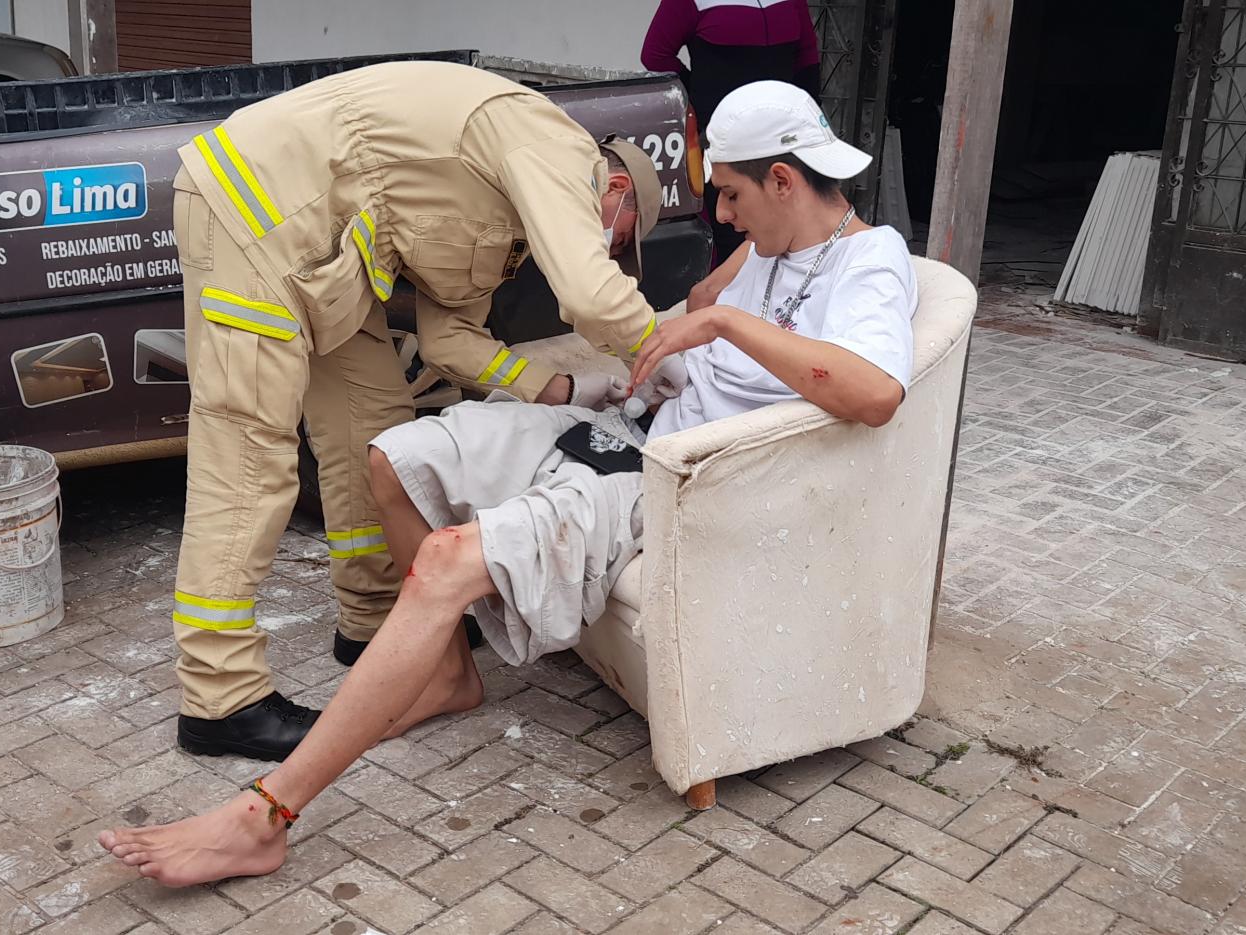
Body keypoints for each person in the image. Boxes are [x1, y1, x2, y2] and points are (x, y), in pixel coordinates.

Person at [101, 80, 917, 887]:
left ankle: (265, 815)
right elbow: (665, 300)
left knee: (446, 561)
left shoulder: (869, 262)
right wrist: (665, 328)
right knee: (394, 454)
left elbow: (875, 392)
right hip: (616, 425)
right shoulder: (748, 239)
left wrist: (725, 321)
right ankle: (449, 670)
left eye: (734, 196)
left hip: (674, 475)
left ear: (783, 180)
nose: (725, 218)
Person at [168, 61, 668, 762]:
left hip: (325, 254)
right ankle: (220, 697)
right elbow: (589, 292)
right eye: (620, 241)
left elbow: (449, 339)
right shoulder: (550, 143)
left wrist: (561, 391)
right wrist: (664, 348)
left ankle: (373, 618)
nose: (611, 252)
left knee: (375, 429)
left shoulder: (511, 214)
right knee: (249, 459)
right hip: (257, 212)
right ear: (613, 190)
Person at [641, 0, 821, 265]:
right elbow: (655, 55)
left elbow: (806, 54)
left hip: (782, 136)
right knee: (733, 226)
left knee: (787, 223)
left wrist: (808, 114)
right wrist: (701, 95)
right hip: (725, 140)